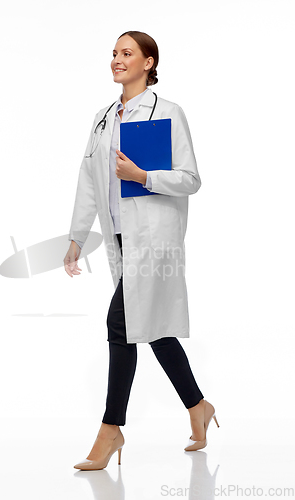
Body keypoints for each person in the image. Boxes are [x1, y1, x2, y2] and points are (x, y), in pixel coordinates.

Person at [63, 31, 219, 471]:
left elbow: (190, 179)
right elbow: (88, 182)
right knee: (150, 327)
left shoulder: (167, 113)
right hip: (118, 238)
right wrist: (77, 236)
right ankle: (198, 407)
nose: (117, 59)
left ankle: (111, 430)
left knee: (121, 321)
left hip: (152, 239)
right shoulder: (102, 118)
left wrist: (143, 174)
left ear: (148, 62)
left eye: (127, 53)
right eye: (114, 53)